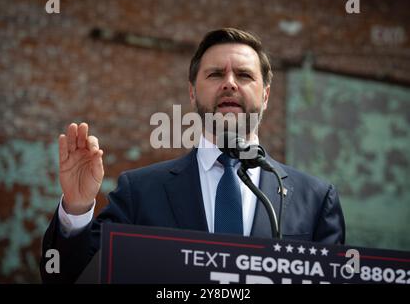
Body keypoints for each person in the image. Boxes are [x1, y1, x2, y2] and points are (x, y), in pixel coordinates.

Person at [40, 28, 345, 283]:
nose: (229, 83)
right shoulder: (141, 191)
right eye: (215, 74)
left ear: (265, 95)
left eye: (244, 75)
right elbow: (69, 279)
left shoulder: (316, 199)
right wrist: (77, 209)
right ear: (192, 93)